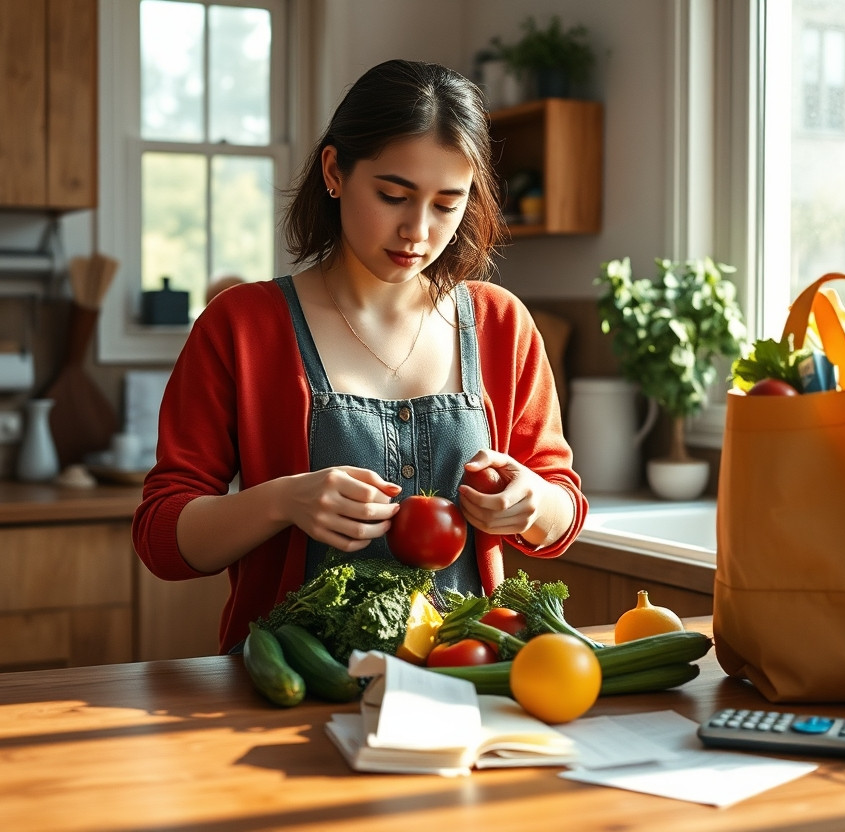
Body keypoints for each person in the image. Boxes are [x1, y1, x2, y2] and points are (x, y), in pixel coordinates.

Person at [132, 59, 587, 654]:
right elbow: (163, 537)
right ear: (334, 171)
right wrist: (282, 500)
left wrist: (531, 502)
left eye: (447, 204)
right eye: (393, 195)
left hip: (469, 680)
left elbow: (561, 511)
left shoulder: (502, 324)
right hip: (292, 688)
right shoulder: (241, 327)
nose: (417, 231)